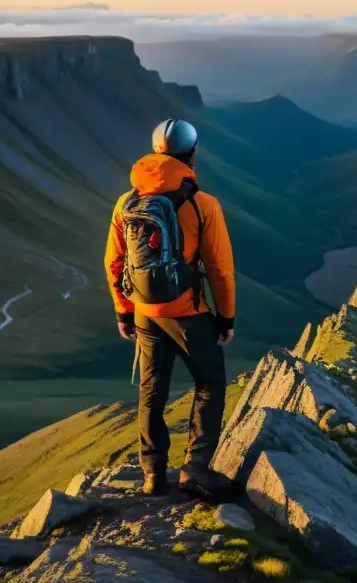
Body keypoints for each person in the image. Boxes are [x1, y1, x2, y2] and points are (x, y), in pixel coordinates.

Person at [104, 118, 236, 497]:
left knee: (152, 390)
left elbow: (114, 262)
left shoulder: (126, 202)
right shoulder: (201, 204)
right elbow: (219, 268)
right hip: (188, 313)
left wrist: (123, 311)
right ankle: (195, 470)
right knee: (209, 384)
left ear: (156, 152)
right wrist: (225, 316)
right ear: (191, 155)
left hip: (145, 311)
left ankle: (152, 474)